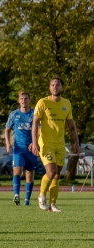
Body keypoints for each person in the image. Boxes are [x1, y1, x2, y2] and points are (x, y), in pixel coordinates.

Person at [30, 77, 82, 213]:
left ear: (62, 88)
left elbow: (71, 125)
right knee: (51, 172)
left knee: (57, 174)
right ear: (49, 88)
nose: (55, 87)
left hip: (60, 143)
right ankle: (41, 195)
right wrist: (35, 142)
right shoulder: (43, 102)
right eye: (52, 85)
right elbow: (35, 123)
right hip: (46, 143)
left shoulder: (67, 104)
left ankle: (52, 205)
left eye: (57, 85)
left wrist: (76, 141)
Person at [4, 91, 36, 206]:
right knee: (17, 171)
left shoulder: (34, 114)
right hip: (18, 148)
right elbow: (7, 129)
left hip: (32, 149)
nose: (24, 100)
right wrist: (8, 143)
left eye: (26, 98)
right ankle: (16, 194)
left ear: (29, 100)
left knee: (29, 173)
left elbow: (40, 130)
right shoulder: (14, 114)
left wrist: (35, 143)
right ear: (18, 100)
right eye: (21, 98)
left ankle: (27, 199)